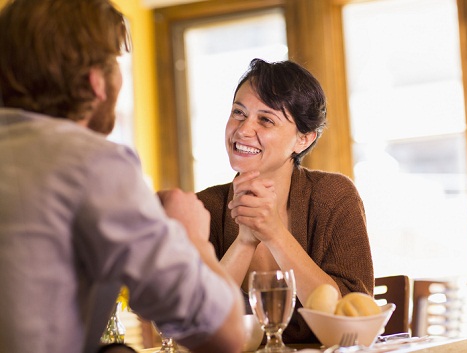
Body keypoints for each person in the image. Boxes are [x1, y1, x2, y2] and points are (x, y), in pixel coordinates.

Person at [0, 1, 244, 353]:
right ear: (96, 81)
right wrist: (190, 236)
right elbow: (226, 335)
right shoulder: (93, 164)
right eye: (116, 62)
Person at [196, 58, 374, 343]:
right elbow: (196, 324)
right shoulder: (204, 208)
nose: (242, 130)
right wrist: (244, 241)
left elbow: (351, 324)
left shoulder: (335, 197)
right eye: (238, 113)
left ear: (303, 139)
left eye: (265, 119)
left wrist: (274, 233)